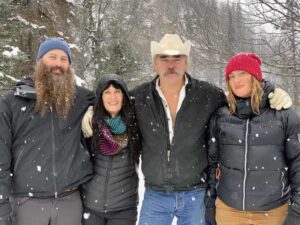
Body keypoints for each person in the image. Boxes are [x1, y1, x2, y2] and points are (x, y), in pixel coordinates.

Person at [81, 34, 292, 225]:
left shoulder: (208, 95)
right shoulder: (139, 97)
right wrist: (92, 110)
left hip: (195, 195)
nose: (171, 64)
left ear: (186, 62)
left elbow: (241, 102)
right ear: (155, 64)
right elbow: (112, 103)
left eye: (177, 58)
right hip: (155, 195)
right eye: (164, 58)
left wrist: (271, 92)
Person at [0, 37, 94, 225]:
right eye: (53, 57)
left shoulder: (82, 100)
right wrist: (2, 205)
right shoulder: (12, 102)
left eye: (64, 59)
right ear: (39, 62)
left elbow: (114, 103)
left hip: (70, 203)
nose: (58, 64)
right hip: (26, 202)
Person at [206, 52, 300, 225]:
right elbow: (211, 164)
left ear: (255, 77)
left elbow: (298, 165)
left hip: (273, 213)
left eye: (242, 73)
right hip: (228, 211)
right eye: (231, 76)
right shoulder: (221, 115)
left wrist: (297, 211)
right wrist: (209, 203)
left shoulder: (283, 115)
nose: (236, 80)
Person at [81, 74, 140, 225]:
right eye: (107, 92)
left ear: (124, 96)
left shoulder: (136, 123)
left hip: (123, 209)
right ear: (100, 97)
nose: (112, 97)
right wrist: (88, 111)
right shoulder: (90, 124)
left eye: (117, 91)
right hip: (90, 207)